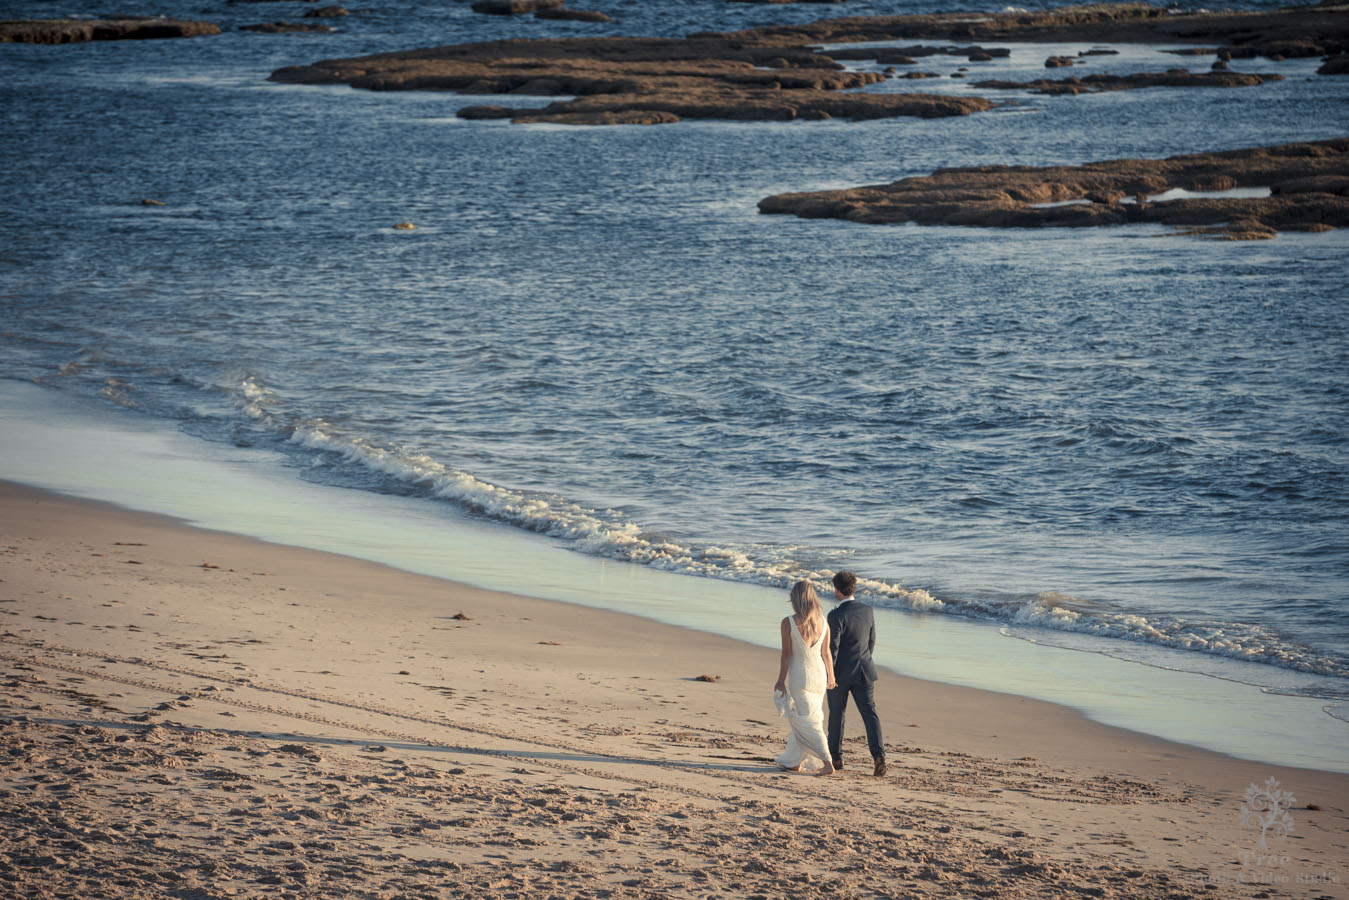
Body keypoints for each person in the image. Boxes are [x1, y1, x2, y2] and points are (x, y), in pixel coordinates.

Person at [772, 581, 837, 775]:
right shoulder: (823, 621)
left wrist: (780, 680)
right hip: (818, 675)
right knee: (809, 717)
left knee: (807, 722)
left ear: (795, 599)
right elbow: (826, 653)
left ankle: (828, 763)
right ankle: (793, 762)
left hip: (800, 676)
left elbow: (786, 655)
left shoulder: (789, 622)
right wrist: (831, 677)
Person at [826, 570, 886, 776]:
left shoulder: (835, 615)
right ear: (853, 588)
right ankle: (879, 756)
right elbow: (871, 642)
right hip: (864, 670)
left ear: (837, 590)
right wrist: (864, 660)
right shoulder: (867, 611)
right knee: (870, 714)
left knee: (837, 714)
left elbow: (832, 648)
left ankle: (836, 757)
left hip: (840, 673)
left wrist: (829, 674)